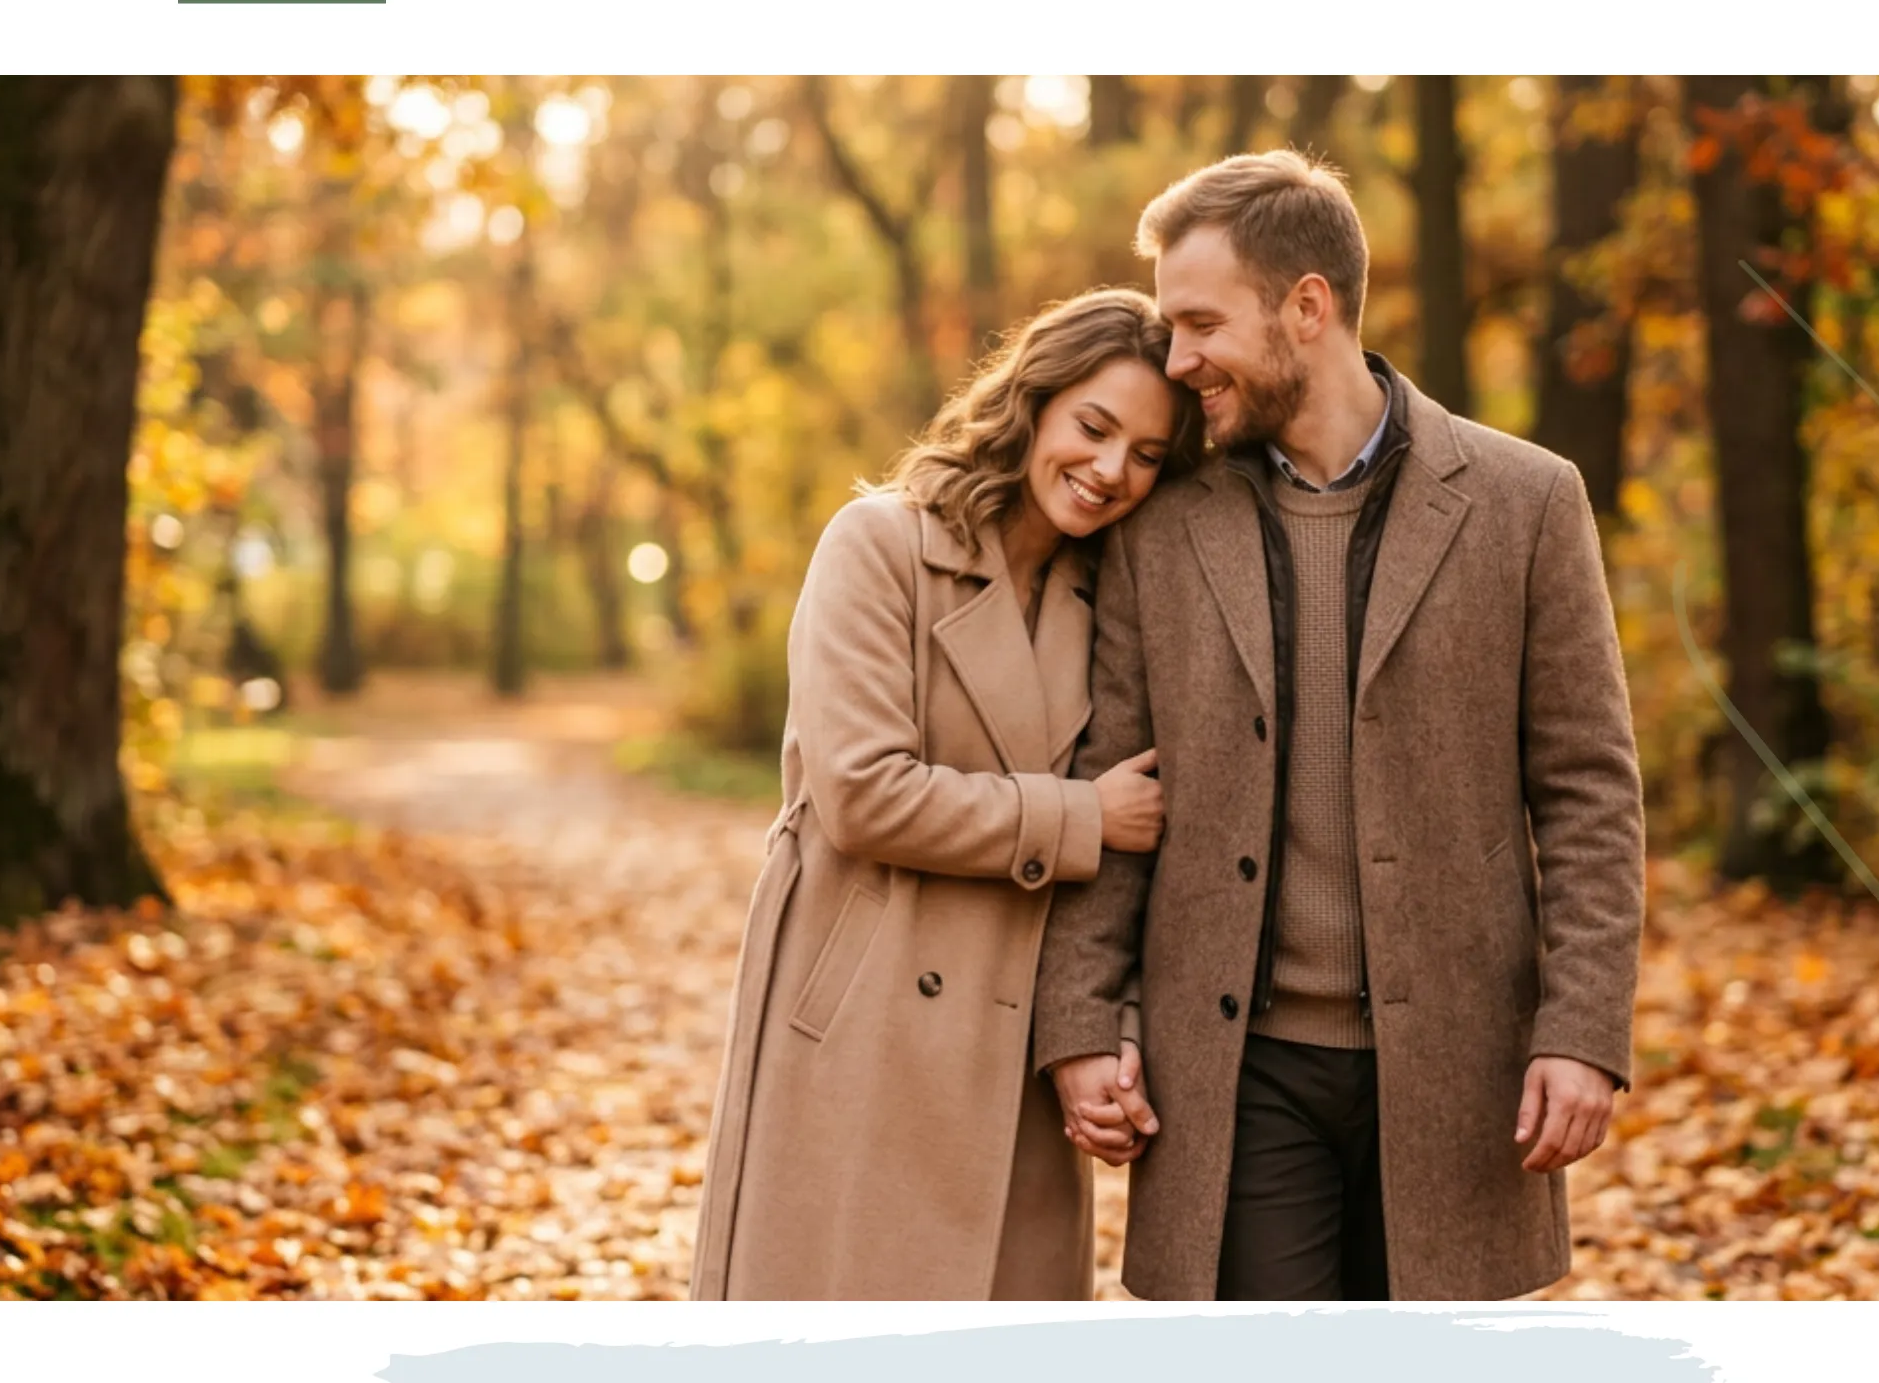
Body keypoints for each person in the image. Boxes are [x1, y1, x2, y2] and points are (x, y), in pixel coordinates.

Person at [1033, 151, 1648, 1300]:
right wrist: (1081, 1022)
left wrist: (1582, 1029)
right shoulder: (1159, 525)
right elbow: (1112, 780)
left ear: (1306, 306)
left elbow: (1587, 790)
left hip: (1461, 1069)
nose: (1177, 360)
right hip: (1234, 1070)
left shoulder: (1525, 502)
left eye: (1200, 322)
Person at [691, 291, 1198, 1299]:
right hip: (863, 1017)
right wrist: (1079, 818)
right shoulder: (877, 545)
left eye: (1145, 454)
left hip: (1008, 1039)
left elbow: (1144, 860)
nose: (1108, 471)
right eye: (1093, 428)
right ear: (1033, 403)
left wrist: (1113, 1025)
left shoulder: (1114, 601)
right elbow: (862, 792)